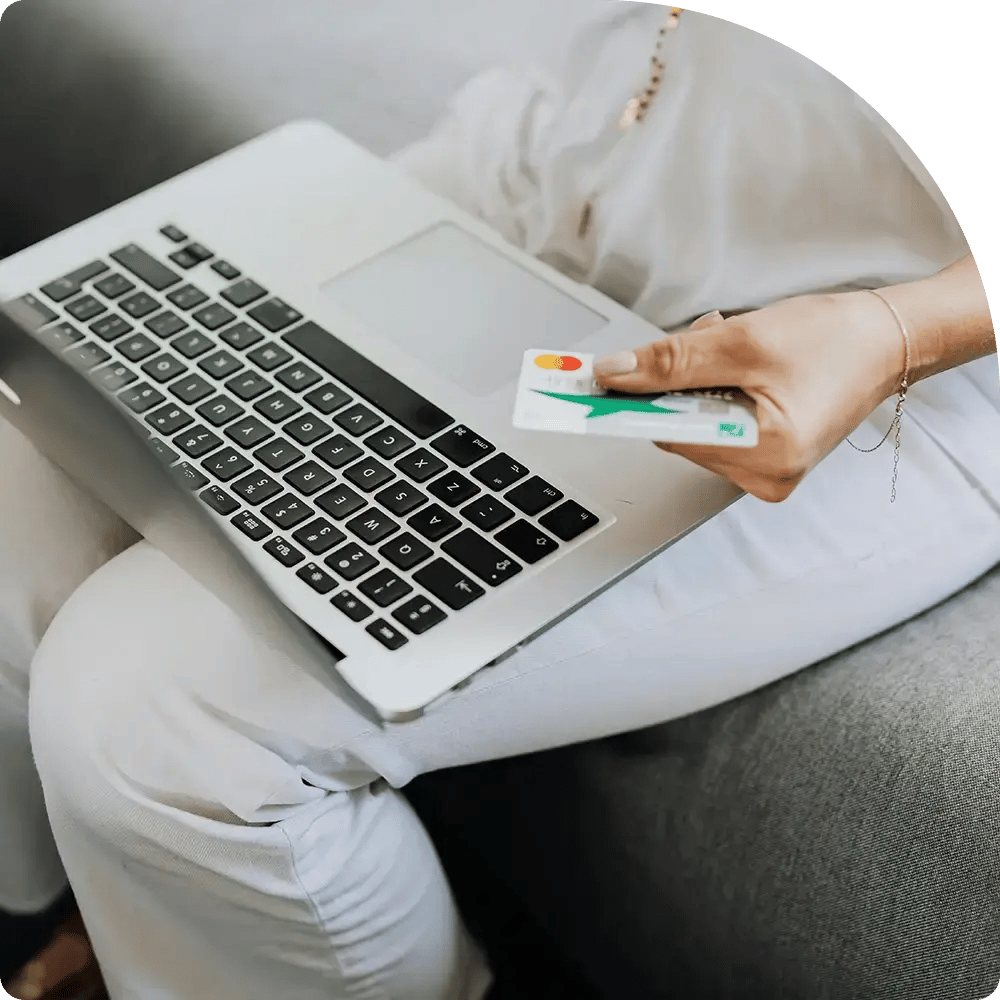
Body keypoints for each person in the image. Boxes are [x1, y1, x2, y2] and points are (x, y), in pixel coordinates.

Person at [1, 4, 997, 998]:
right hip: (569, 146)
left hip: (865, 325)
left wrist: (896, 331)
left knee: (148, 713)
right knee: (19, 478)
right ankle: (78, 925)